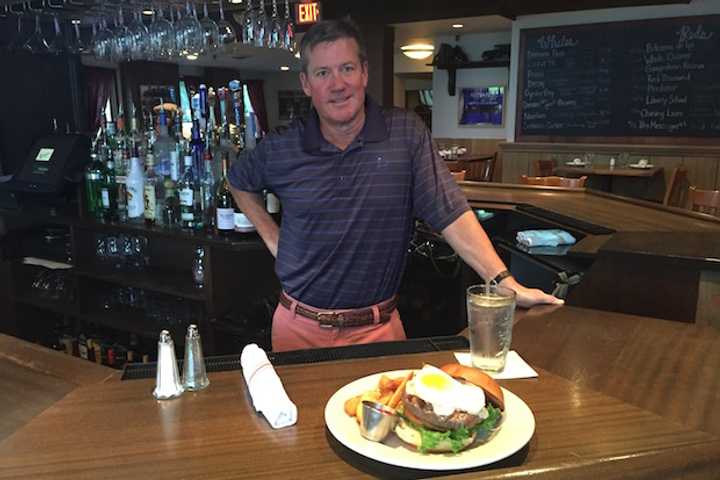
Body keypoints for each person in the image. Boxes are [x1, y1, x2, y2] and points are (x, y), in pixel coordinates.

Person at [228, 19, 562, 352]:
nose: (337, 83)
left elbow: (450, 212)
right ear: (305, 83)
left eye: (347, 68)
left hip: (378, 330)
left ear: (364, 73)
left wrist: (505, 283)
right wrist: (275, 240)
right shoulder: (282, 145)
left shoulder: (405, 134)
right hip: (297, 328)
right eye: (322, 73)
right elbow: (238, 181)